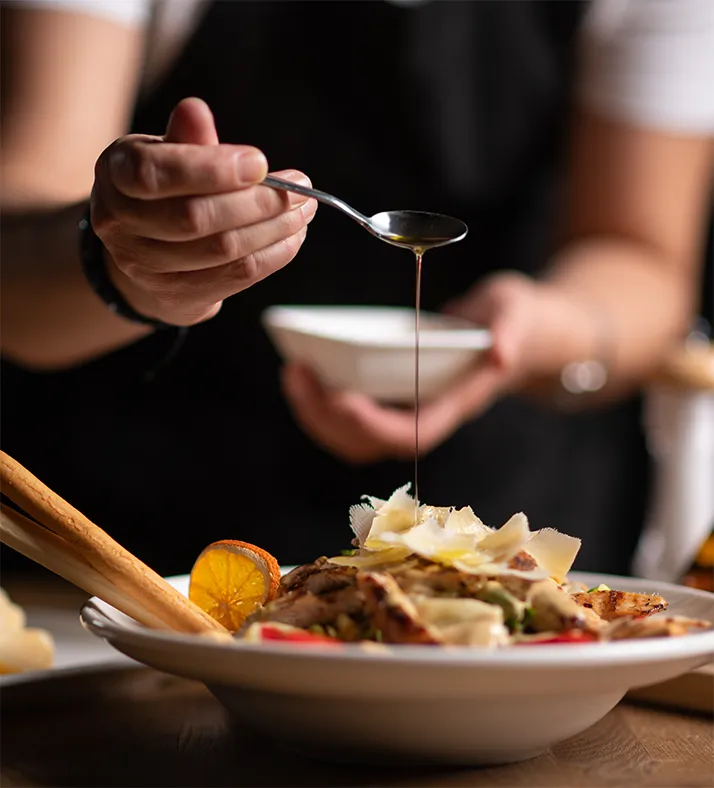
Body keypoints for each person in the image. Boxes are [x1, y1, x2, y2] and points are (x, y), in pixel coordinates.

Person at [1, 0, 713, 577]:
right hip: (140, 548)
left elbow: (640, 257)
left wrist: (536, 332)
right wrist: (124, 259)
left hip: (515, 530)